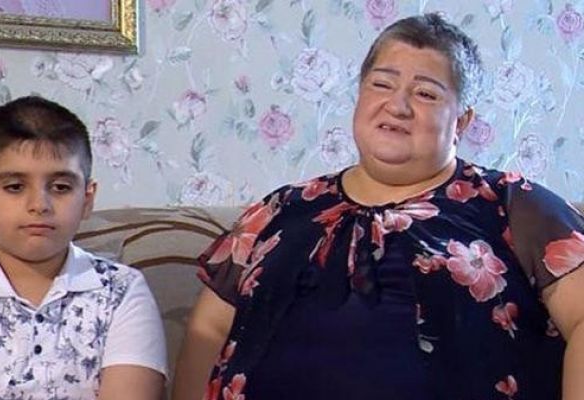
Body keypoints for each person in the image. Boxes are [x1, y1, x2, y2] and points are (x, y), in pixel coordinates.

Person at [172, 13, 584, 400]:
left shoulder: (513, 205)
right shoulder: (279, 210)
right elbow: (210, 328)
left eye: (425, 93)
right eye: (382, 85)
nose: (397, 105)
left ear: (462, 121)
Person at [0, 96, 167, 399]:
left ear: (87, 199)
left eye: (60, 187)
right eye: (15, 187)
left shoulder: (120, 291)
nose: (39, 205)